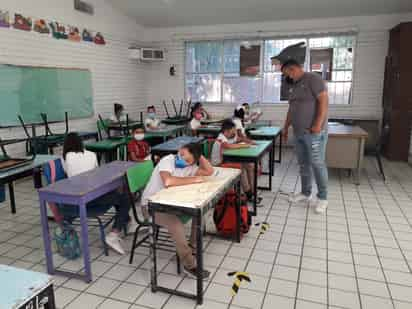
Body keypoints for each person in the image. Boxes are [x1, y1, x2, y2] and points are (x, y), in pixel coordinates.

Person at [141, 143, 214, 279]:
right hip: (151, 206)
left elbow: (210, 172)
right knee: (176, 225)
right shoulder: (167, 160)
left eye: (189, 161)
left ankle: (191, 248)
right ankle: (189, 264)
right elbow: (168, 181)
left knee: (199, 213)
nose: (184, 161)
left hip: (172, 204)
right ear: (181, 149)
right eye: (184, 155)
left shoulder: (189, 167)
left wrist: (199, 154)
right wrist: (194, 179)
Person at [62, 132, 132, 255]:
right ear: (81, 142)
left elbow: (68, 175)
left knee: (120, 197)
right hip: (93, 197)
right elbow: (96, 173)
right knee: (124, 197)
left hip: (78, 198)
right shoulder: (91, 154)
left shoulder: (65, 157)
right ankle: (116, 230)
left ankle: (124, 221)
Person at [281, 59, 329, 214]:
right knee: (303, 164)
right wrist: (286, 127)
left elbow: (324, 102)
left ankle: (322, 198)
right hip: (298, 132)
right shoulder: (293, 86)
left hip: (313, 133)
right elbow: (292, 108)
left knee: (317, 164)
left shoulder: (313, 79)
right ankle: (305, 193)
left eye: (286, 73)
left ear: (293, 69)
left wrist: (318, 124)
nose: (286, 77)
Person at [210, 119, 261, 204]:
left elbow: (240, 139)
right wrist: (245, 146)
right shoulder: (221, 138)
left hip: (228, 160)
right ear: (226, 131)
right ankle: (248, 193)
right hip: (219, 164)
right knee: (241, 169)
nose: (234, 134)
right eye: (232, 132)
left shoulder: (229, 136)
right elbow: (228, 146)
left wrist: (251, 142)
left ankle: (252, 191)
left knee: (250, 165)